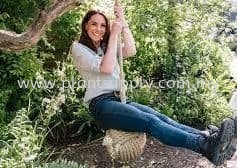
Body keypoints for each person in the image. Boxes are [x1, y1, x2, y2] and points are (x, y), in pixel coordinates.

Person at [71, 4, 237, 166]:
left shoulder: (107, 47)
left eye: (103, 26)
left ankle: (208, 138)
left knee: (161, 117)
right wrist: (114, 33)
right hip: (102, 105)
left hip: (119, 99)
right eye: (94, 24)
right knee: (150, 122)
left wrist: (124, 24)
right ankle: (204, 146)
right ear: (85, 25)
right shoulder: (78, 48)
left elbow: (130, 50)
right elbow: (106, 68)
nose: (98, 29)